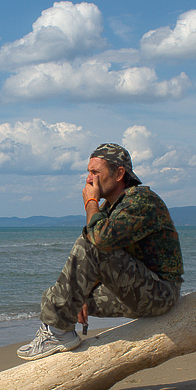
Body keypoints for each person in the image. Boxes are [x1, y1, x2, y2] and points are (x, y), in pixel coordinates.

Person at [17, 143, 184, 360]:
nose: (89, 179)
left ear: (119, 174)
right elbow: (101, 259)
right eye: (88, 172)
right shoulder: (110, 208)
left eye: (95, 172)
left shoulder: (142, 201)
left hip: (161, 294)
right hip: (137, 290)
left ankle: (57, 332)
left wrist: (91, 202)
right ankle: (57, 332)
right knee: (62, 295)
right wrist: (80, 295)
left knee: (90, 243)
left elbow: (99, 241)